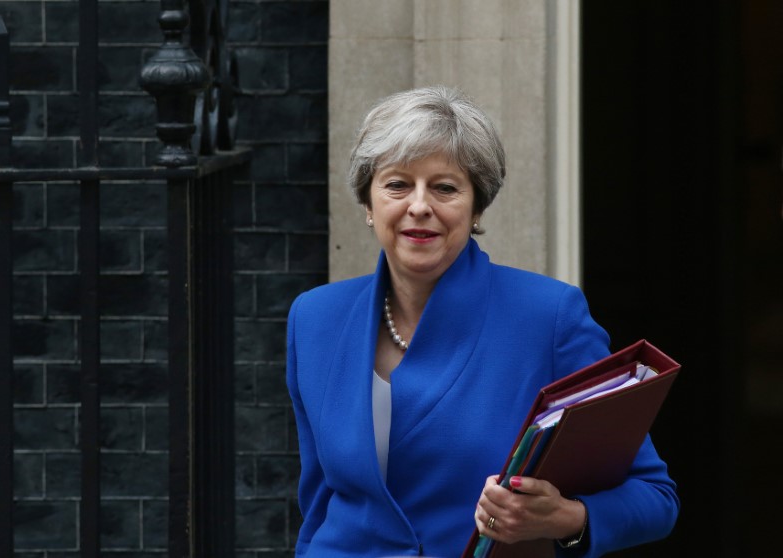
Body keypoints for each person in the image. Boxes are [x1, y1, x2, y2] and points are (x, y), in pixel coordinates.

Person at [286, 86, 679, 557]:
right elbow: (318, 502)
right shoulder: (314, 318)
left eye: (445, 187)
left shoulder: (549, 317)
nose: (419, 206)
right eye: (396, 184)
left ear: (477, 208)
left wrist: (563, 519)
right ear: (369, 204)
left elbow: (655, 498)